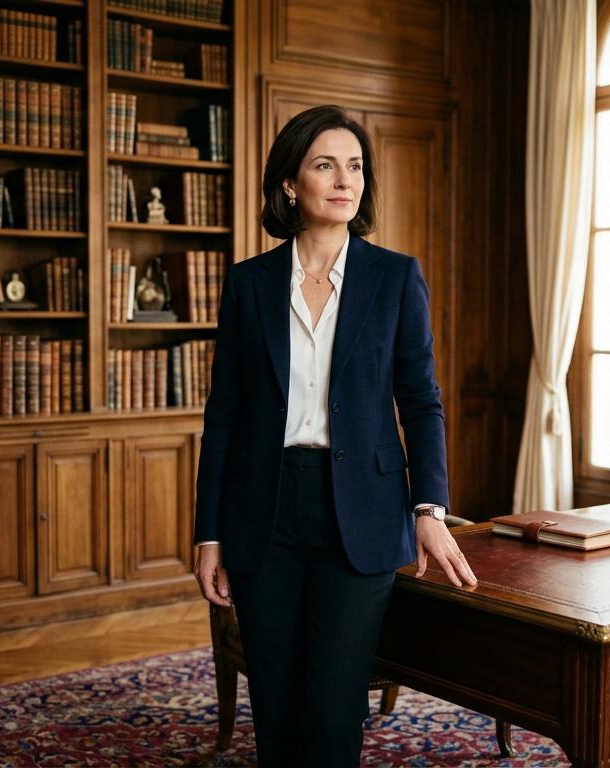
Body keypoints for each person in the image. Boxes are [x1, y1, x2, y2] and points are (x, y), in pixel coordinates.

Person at [193, 105, 477, 767]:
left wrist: (429, 509)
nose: (344, 179)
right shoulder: (249, 285)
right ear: (290, 184)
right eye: (325, 164)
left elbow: (422, 402)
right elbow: (225, 416)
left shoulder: (394, 277)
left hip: (364, 510)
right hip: (265, 508)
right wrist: (209, 532)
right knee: (277, 700)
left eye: (354, 166)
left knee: (332, 706)